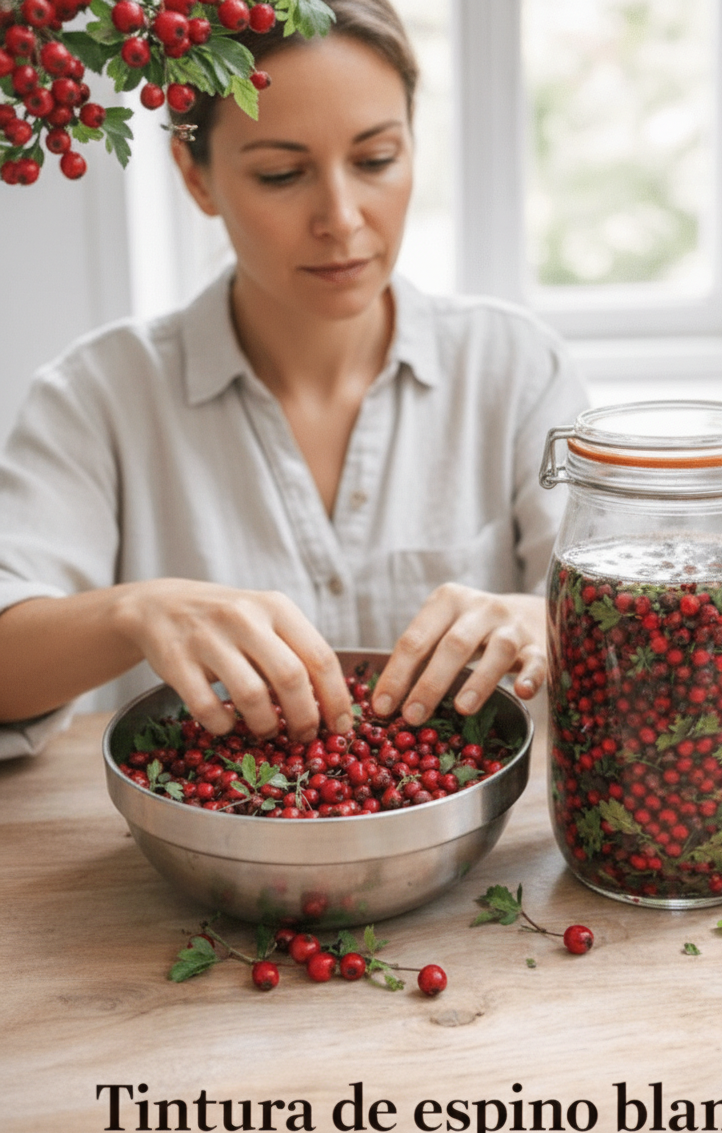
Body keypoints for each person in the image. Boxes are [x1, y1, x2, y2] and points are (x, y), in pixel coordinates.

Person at [0, 0, 587, 759]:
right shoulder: (98, 396)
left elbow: (631, 628)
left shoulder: (515, 367)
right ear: (198, 179)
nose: (341, 218)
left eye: (376, 160)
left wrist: (531, 617)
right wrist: (132, 611)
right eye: (282, 174)